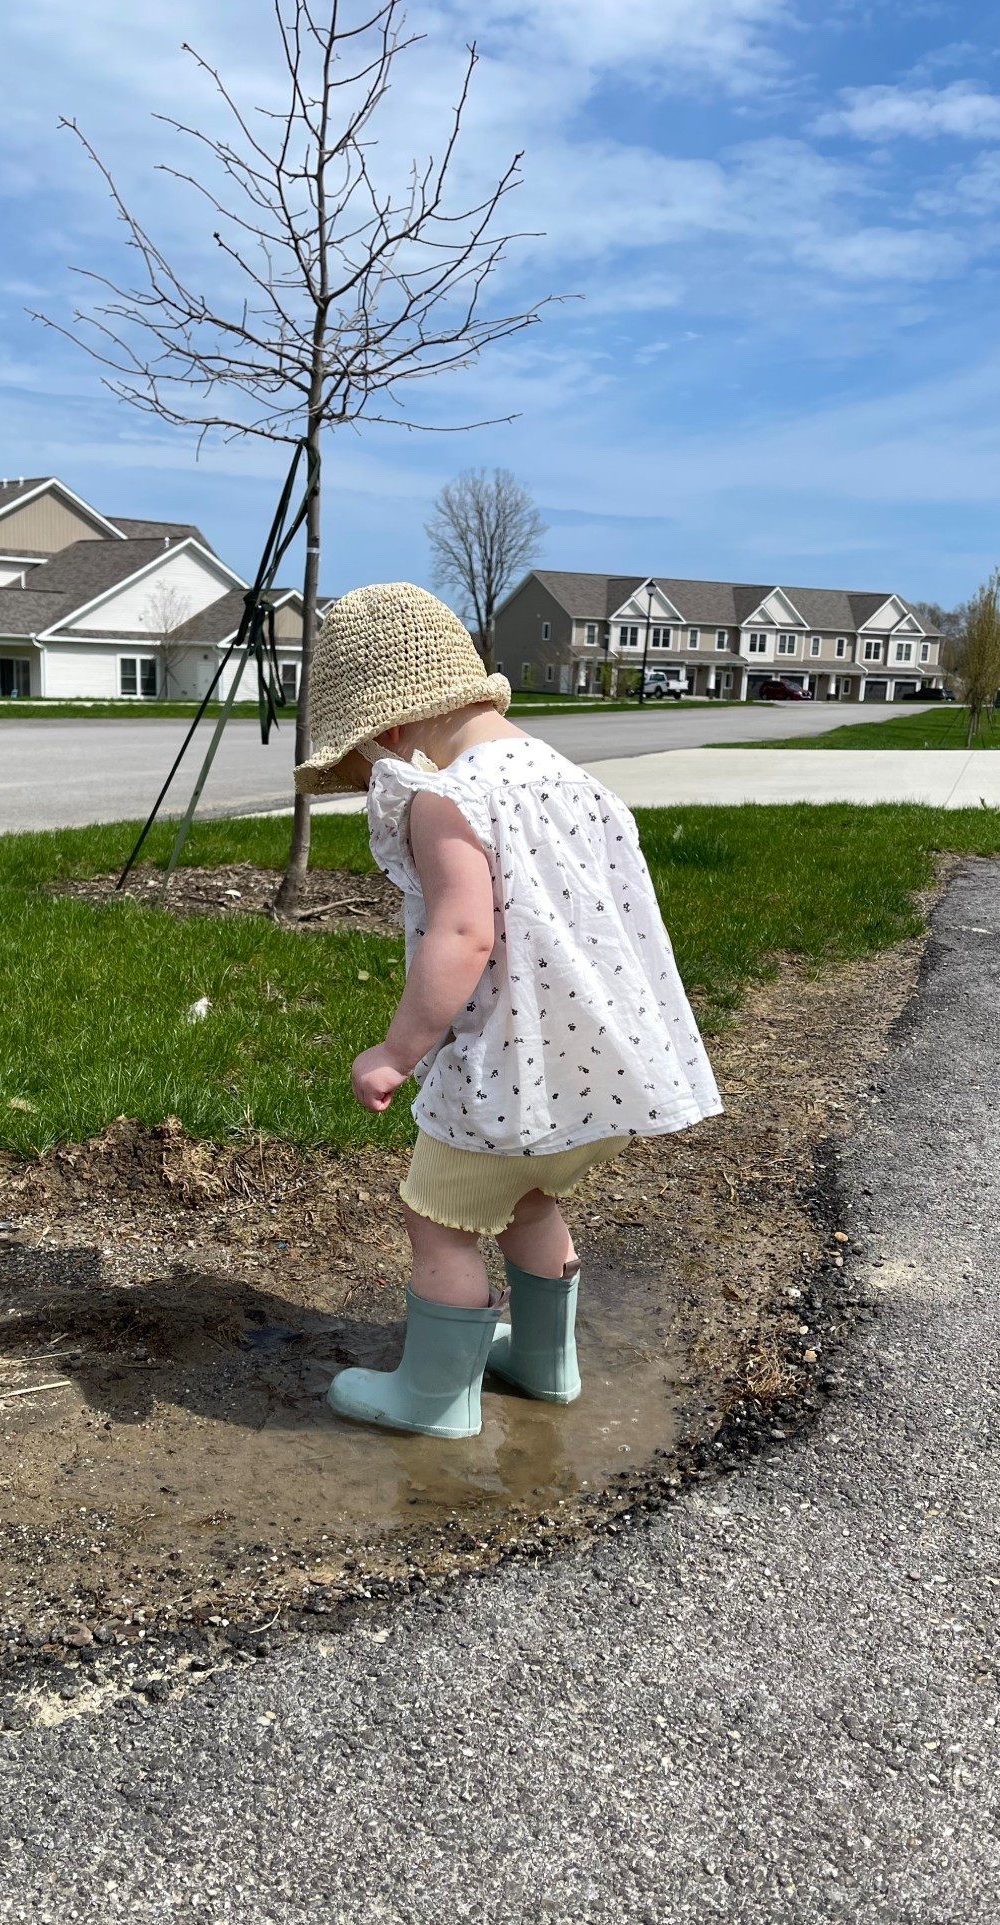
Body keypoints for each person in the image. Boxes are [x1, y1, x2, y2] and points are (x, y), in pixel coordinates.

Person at [293, 583, 722, 1439]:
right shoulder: (571, 779)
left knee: (440, 1219)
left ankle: (435, 1399)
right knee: (530, 1200)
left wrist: (395, 1051)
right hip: (599, 1069)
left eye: (366, 763)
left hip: (508, 1067)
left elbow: (462, 935)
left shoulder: (446, 797)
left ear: (390, 731)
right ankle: (543, 1362)